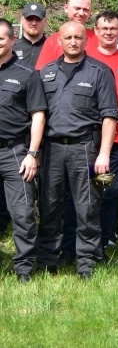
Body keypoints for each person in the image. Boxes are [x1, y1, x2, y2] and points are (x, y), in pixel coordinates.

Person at [60, 11, 118, 263]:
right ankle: (71, 243)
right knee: (75, 193)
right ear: (94, 32)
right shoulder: (84, 59)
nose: (109, 32)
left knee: (108, 191)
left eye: (113, 29)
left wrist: (111, 116)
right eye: (104, 28)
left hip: (117, 142)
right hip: (83, 141)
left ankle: (102, 241)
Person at [38, 21, 118, 279]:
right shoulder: (46, 72)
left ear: (86, 40)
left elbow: (109, 116)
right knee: (49, 206)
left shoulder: (99, 71)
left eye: (78, 37)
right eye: (68, 37)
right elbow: (37, 115)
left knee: (86, 207)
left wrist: (104, 153)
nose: (73, 42)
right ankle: (48, 260)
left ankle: (86, 262)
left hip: (85, 147)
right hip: (51, 149)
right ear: (59, 41)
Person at [0, 18, 46, 282]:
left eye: (1, 39)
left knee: (23, 212)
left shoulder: (27, 74)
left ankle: (25, 269)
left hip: (14, 152)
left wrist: (32, 153)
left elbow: (38, 116)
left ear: (11, 40)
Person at [35, 0, 98, 69]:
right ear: (66, 8)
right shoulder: (52, 41)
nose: (81, 13)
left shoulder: (98, 39)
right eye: (77, 8)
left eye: (85, 9)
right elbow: (41, 72)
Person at [13, 1, 47, 66]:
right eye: (29, 19)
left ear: (45, 21)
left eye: (38, 19)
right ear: (22, 20)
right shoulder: (11, 47)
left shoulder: (51, 47)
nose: (34, 23)